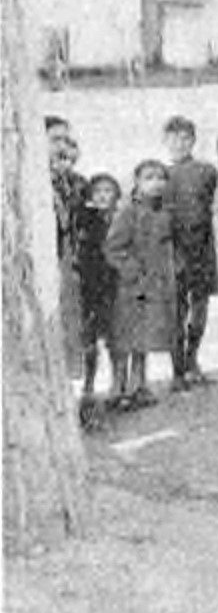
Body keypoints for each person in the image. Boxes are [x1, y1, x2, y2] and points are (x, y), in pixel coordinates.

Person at [104, 160, 177, 410]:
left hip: (154, 287)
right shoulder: (128, 212)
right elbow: (113, 247)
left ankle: (138, 386)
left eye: (160, 177)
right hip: (131, 289)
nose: (155, 183)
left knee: (143, 339)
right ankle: (117, 388)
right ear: (137, 182)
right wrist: (130, 268)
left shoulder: (165, 213)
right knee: (124, 339)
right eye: (149, 177)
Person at [163, 115, 218, 389]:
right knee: (176, 310)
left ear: (194, 140)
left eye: (185, 138)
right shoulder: (159, 174)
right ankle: (177, 371)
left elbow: (210, 203)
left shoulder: (206, 171)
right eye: (174, 138)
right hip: (174, 248)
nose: (179, 144)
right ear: (165, 141)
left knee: (200, 306)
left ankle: (193, 361)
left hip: (202, 246)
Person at [76, 173, 122, 422]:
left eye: (108, 191)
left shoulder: (121, 219)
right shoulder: (88, 220)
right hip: (91, 288)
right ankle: (88, 388)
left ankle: (117, 386)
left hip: (114, 287)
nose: (103, 196)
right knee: (90, 342)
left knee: (115, 339)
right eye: (98, 192)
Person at [46, 116, 88, 377]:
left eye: (66, 140)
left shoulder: (74, 181)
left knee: (74, 330)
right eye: (54, 140)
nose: (62, 146)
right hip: (46, 262)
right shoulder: (29, 181)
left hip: (69, 262)